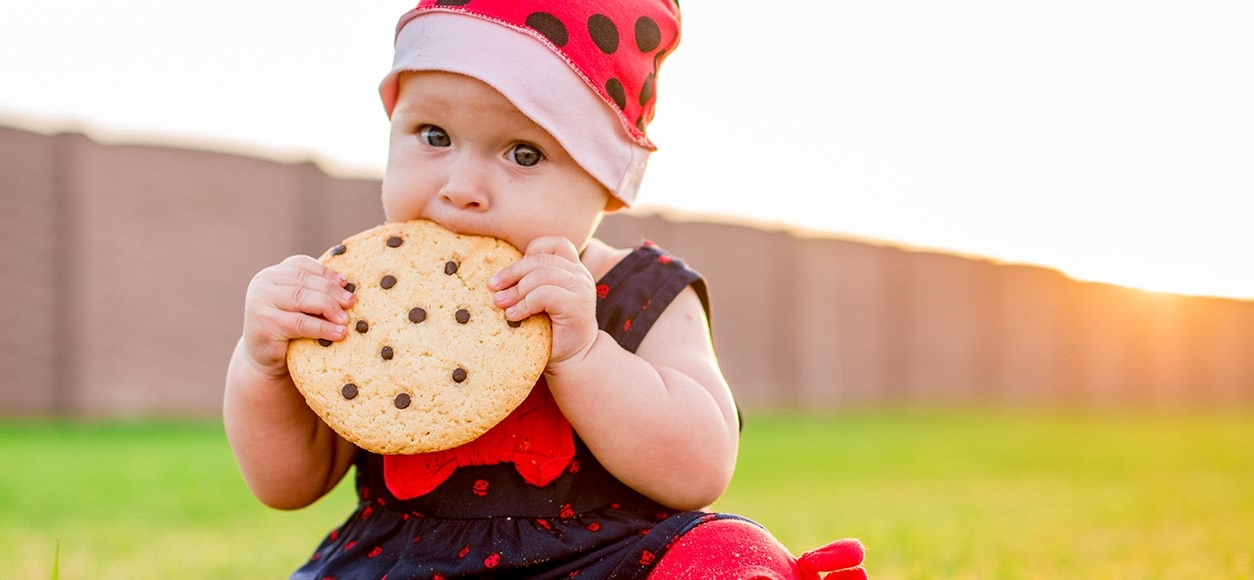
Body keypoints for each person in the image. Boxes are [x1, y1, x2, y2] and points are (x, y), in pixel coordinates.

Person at [224, 1, 867, 578]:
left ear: (608, 183)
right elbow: (287, 484)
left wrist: (584, 354)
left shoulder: (641, 290)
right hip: (402, 563)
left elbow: (701, 469)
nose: (462, 187)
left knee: (726, 555)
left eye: (524, 154)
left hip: (605, 562)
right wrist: (263, 366)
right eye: (434, 136)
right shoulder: (357, 298)